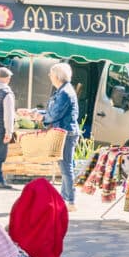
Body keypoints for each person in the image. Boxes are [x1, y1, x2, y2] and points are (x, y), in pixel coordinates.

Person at [42, 63, 81, 209]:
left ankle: (70, 201)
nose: (49, 77)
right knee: (65, 165)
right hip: (66, 132)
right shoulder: (63, 90)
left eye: (51, 74)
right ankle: (66, 199)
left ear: (57, 76)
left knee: (66, 167)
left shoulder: (65, 92)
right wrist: (36, 113)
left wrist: (40, 117)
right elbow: (52, 111)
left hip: (66, 133)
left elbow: (55, 114)